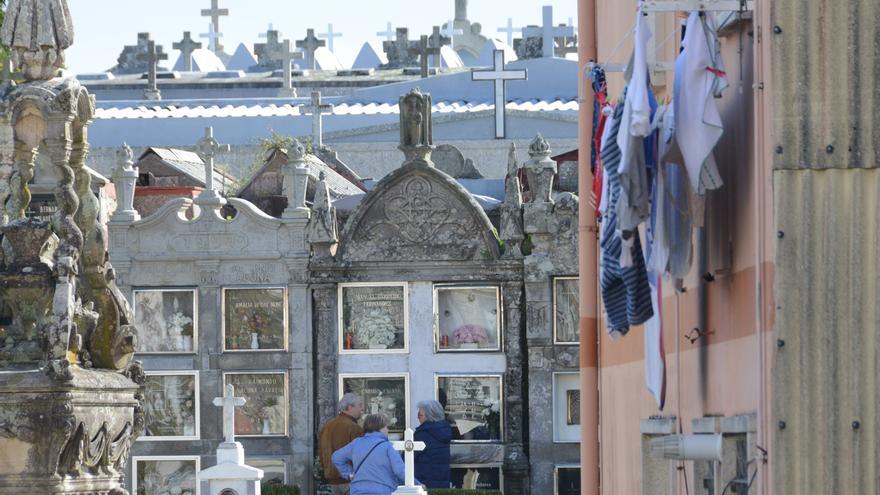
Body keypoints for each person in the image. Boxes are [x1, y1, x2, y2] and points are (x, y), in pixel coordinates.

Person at [332, 414, 420, 495]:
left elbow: (336, 457)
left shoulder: (356, 443)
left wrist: (349, 473)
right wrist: (418, 485)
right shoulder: (388, 446)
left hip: (358, 490)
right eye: (386, 427)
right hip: (382, 490)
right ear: (380, 428)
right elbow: (400, 471)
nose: (388, 430)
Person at [319, 393, 365, 495]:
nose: (362, 409)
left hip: (333, 480)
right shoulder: (354, 428)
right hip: (350, 480)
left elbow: (322, 456)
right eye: (360, 405)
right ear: (350, 407)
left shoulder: (327, 426)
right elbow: (362, 456)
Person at [413, 400, 452, 488]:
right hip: (442, 481)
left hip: (424, 482)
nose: (417, 418)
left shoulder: (423, 434)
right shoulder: (444, 431)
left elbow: (409, 457)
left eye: (420, 415)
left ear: (430, 416)